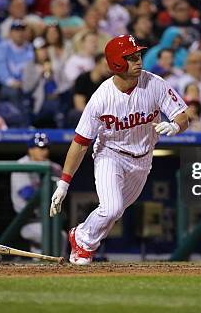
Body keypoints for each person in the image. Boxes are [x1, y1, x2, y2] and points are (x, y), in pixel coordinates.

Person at [49, 34, 189, 265]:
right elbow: (81, 141)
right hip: (110, 154)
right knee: (112, 209)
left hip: (143, 158)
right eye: (131, 58)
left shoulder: (154, 83)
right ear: (116, 63)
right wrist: (64, 182)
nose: (139, 62)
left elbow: (183, 116)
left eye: (138, 56)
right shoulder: (101, 98)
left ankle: (79, 235)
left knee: (116, 211)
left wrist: (175, 126)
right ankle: (84, 243)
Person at [10, 133, 64, 254]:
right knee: (44, 235)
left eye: (46, 148)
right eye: (40, 148)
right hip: (27, 220)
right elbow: (27, 194)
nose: (43, 151)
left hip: (48, 219)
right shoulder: (21, 165)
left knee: (62, 236)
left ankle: (60, 269)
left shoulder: (54, 167)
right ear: (30, 150)